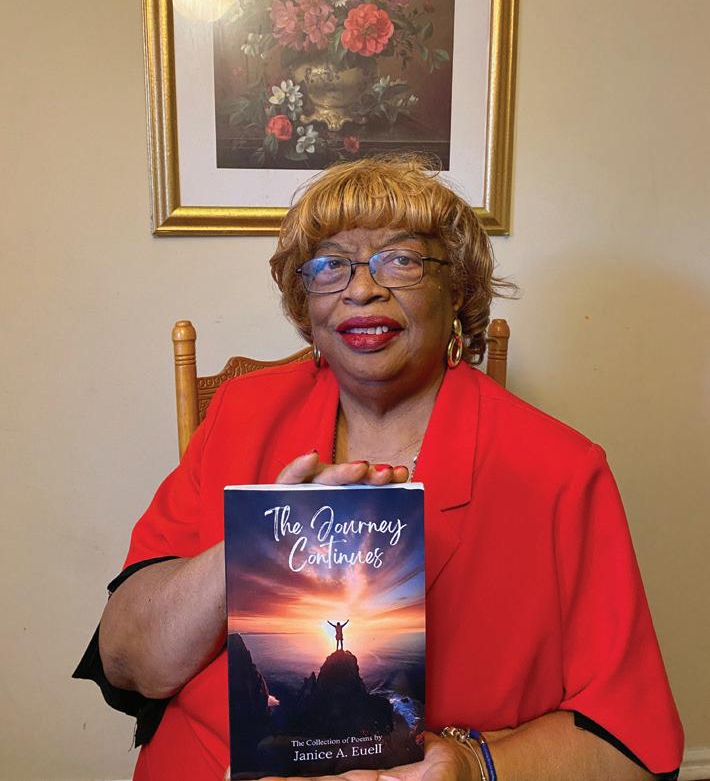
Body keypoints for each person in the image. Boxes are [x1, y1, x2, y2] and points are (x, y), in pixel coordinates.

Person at [74, 155, 684, 781]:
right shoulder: (239, 414)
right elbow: (127, 663)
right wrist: (252, 547)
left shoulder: (560, 469)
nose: (361, 288)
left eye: (402, 259)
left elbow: (631, 743)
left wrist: (475, 766)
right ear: (305, 302)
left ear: (458, 291)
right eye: (329, 264)